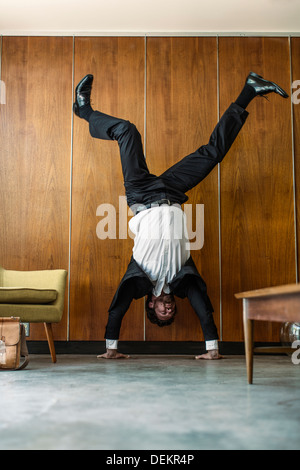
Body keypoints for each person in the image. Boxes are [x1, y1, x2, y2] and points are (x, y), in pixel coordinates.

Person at [73, 71, 288, 360]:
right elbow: (203, 308)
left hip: (141, 194)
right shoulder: (183, 277)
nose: (169, 310)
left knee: (127, 130)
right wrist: (212, 349)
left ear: (150, 305)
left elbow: (117, 308)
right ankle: (250, 90)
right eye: (170, 313)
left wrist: (111, 348)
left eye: (162, 313)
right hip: (172, 193)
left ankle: (83, 110)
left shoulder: (139, 279)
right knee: (213, 153)